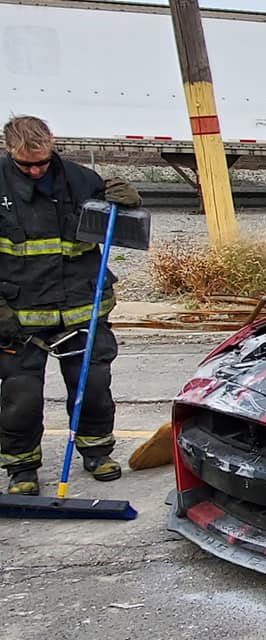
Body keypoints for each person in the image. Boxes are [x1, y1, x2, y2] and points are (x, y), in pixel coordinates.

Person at [0, 115, 141, 496]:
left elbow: (125, 227)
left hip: (82, 308)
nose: (34, 170)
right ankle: (22, 469)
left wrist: (129, 201)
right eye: (25, 164)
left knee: (92, 386)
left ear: (52, 146)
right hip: (19, 316)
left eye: (41, 162)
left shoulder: (81, 180)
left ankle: (97, 453)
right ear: (8, 150)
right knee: (21, 397)